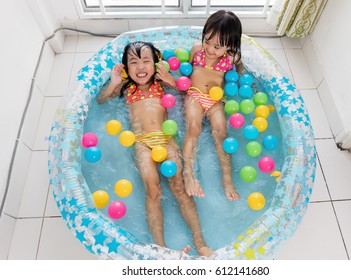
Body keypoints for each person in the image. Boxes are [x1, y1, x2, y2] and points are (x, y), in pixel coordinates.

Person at [97, 41, 212, 256]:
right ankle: (161, 248)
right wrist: (113, 82)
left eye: (146, 61)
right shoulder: (126, 88)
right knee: (153, 190)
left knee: (179, 186)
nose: (141, 67)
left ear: (156, 64)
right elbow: (101, 100)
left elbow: (189, 94)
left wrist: (172, 80)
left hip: (166, 138)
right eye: (134, 62)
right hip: (141, 141)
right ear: (126, 69)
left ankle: (200, 241)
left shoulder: (162, 84)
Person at [183, 10, 243, 200]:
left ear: (230, 46)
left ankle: (227, 179)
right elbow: (186, 71)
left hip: (215, 100)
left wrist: (240, 80)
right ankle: (188, 172)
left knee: (221, 134)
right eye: (207, 41)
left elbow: (239, 66)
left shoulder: (231, 58)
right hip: (195, 95)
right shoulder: (196, 50)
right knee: (193, 128)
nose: (209, 49)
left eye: (217, 47)